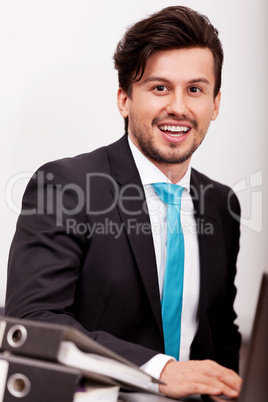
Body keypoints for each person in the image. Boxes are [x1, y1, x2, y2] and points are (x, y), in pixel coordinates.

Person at [5, 6, 242, 400]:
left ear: (215, 104)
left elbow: (221, 331)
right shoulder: (67, 186)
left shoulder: (222, 204)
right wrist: (160, 371)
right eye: (159, 87)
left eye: (196, 90)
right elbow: (33, 321)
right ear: (124, 99)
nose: (179, 108)